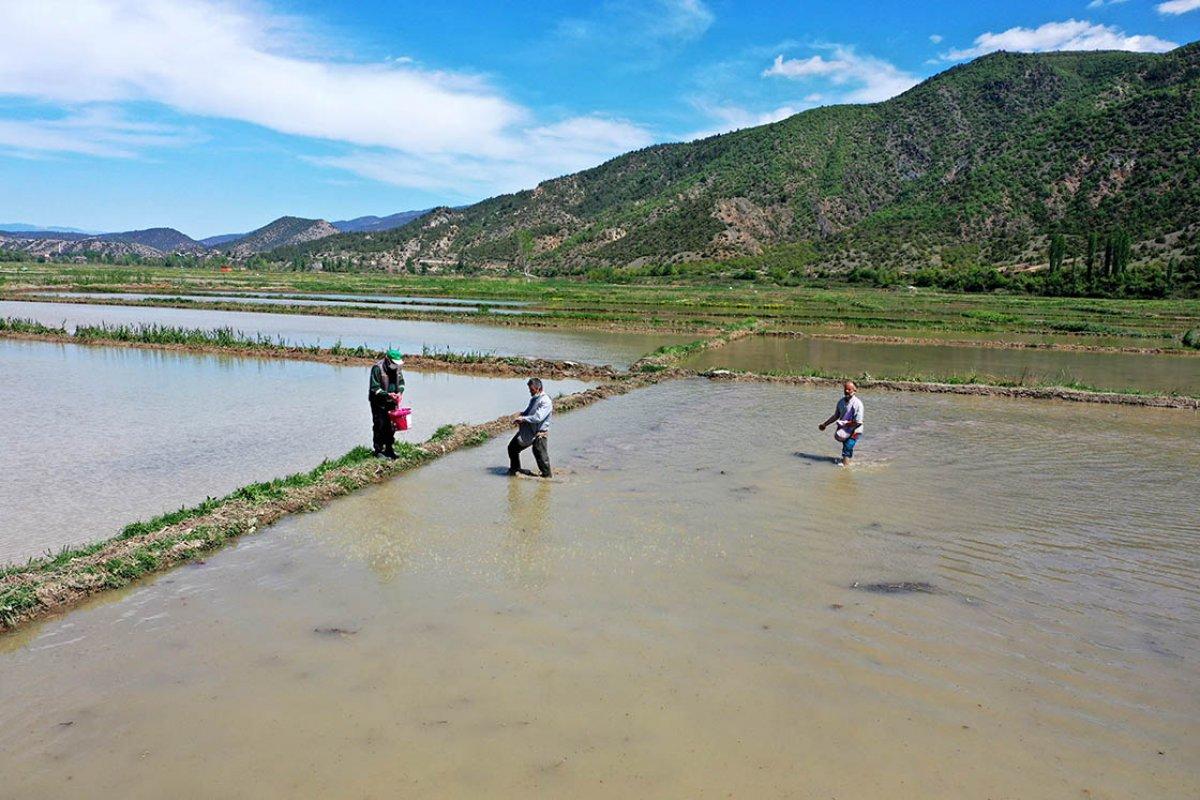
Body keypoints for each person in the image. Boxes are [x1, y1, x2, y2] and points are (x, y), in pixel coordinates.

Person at [508, 377, 552, 478]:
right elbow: (528, 412)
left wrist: (523, 419)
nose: (530, 392)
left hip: (539, 433)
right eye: (529, 390)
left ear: (539, 389)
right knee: (512, 448)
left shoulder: (545, 401)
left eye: (532, 390)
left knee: (540, 455)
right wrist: (521, 414)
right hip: (528, 430)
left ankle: (547, 478)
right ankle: (515, 470)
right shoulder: (534, 399)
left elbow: (538, 417)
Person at [369, 348, 405, 459]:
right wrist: (388, 395)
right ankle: (378, 450)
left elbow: (402, 383)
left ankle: (389, 448)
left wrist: (399, 393)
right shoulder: (377, 368)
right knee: (380, 425)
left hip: (392, 402)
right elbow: (375, 388)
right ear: (387, 359)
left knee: (391, 427)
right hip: (379, 402)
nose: (395, 365)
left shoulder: (398, 369)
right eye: (393, 363)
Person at [819, 381, 864, 466]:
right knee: (846, 447)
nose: (847, 391)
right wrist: (825, 424)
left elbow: (858, 422)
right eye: (845, 389)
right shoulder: (841, 402)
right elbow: (836, 416)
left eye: (849, 389)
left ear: (855, 390)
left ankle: (845, 467)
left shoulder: (858, 404)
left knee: (847, 446)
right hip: (844, 430)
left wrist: (844, 423)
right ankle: (849, 463)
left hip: (855, 430)